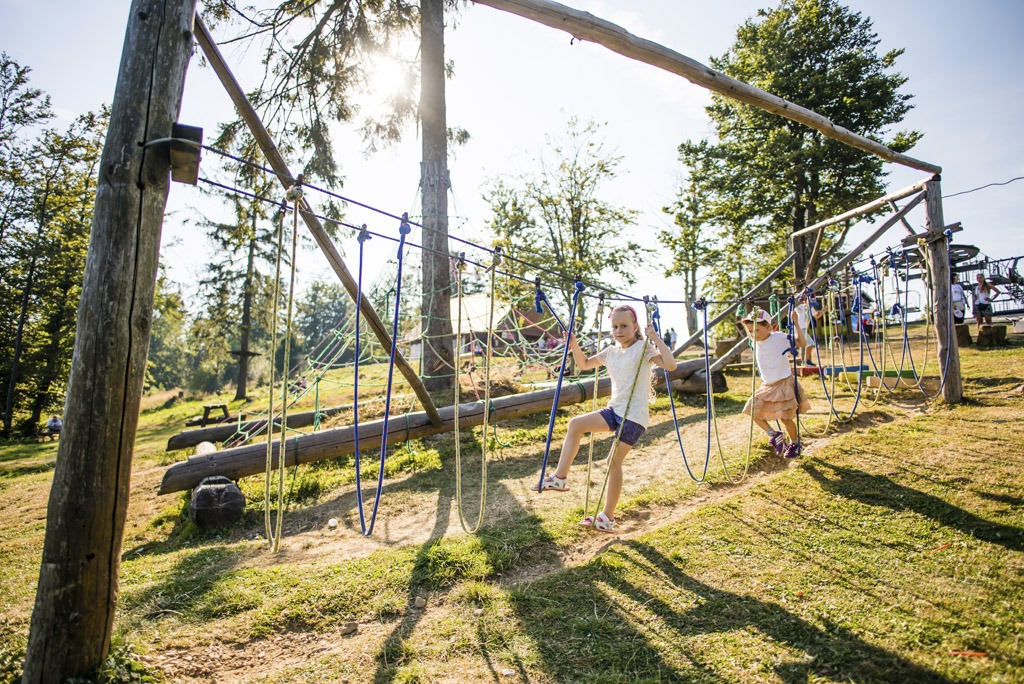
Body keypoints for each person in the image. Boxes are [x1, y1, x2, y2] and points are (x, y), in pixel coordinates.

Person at [538, 305, 677, 532]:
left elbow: (671, 365)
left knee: (612, 462)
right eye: (615, 326)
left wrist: (656, 338)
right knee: (575, 424)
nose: (619, 330)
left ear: (635, 327)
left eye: (624, 326)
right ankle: (560, 478)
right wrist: (573, 343)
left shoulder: (644, 348)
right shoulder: (610, 352)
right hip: (615, 411)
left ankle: (607, 517)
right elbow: (583, 364)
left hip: (634, 416)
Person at [740, 308, 811, 459]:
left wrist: (796, 322)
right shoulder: (755, 342)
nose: (754, 334)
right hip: (768, 385)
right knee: (752, 410)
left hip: (783, 383)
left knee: (785, 418)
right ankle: (774, 434)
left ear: (768, 327)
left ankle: (795, 443)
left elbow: (802, 343)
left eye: (757, 330)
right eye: (751, 331)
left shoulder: (779, 338)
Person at [794, 294, 824, 365]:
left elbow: (817, 316)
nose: (811, 305)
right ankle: (806, 360)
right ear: (805, 301)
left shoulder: (811, 308)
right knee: (810, 344)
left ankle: (805, 360)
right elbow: (794, 305)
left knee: (811, 345)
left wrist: (824, 310)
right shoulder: (800, 307)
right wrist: (799, 298)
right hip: (799, 329)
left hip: (803, 329)